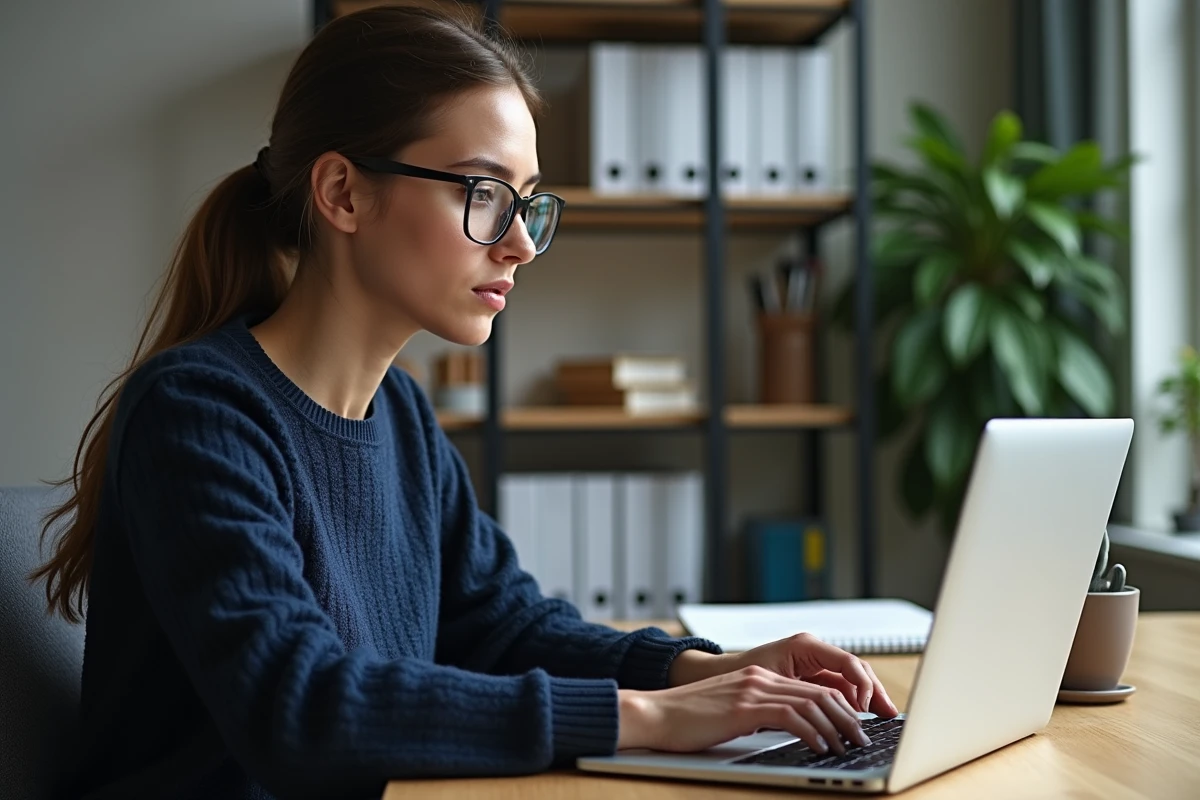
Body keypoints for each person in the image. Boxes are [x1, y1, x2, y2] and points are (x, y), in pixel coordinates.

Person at [31, 6, 897, 799]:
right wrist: (656, 720)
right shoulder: (198, 414)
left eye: (527, 203)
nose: (520, 243)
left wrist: (705, 670)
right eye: (483, 194)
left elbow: (503, 626)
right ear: (342, 193)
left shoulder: (402, 418)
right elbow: (301, 707)